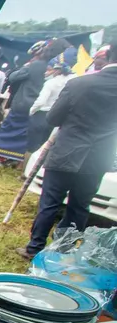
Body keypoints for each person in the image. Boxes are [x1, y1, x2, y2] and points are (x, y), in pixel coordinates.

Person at [18, 43, 117, 261]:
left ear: (108, 55)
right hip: (99, 157)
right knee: (80, 206)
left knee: (50, 202)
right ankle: (61, 252)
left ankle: (34, 248)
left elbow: (53, 118)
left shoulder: (79, 83)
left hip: (67, 151)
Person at [0, 40, 53, 167]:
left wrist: (26, 66)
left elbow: (13, 77)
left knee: (7, 130)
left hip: (22, 104)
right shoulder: (51, 67)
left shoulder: (33, 65)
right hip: (37, 107)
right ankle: (18, 163)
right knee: (24, 135)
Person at [28, 47, 77, 153]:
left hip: (42, 115)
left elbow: (40, 101)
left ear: (57, 69)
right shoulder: (75, 80)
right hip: (59, 119)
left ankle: (24, 167)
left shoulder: (51, 82)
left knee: (33, 146)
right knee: (46, 147)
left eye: (50, 69)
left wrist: (32, 111)